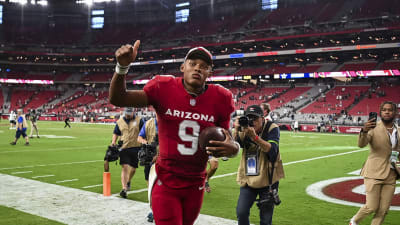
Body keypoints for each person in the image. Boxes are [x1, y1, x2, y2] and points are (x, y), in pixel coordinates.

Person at [109, 41, 239, 225]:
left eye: (204, 67)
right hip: (166, 179)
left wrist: (234, 148)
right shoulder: (163, 87)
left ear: (210, 73)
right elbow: (118, 98)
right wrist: (122, 67)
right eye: (192, 64)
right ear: (182, 67)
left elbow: (228, 139)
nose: (197, 69)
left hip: (196, 183)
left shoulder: (221, 98)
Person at [349, 101, 399, 225]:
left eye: (390, 110)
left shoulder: (398, 130)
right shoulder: (373, 127)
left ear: (395, 113)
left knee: (383, 210)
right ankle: (354, 221)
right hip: (373, 173)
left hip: (391, 174)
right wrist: (364, 131)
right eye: (384, 110)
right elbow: (361, 144)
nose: (387, 112)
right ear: (380, 112)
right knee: (371, 207)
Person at [234, 105, 284, 225]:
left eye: (255, 118)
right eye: (249, 118)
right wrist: (236, 129)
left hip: (268, 180)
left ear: (263, 118)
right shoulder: (244, 128)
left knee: (266, 220)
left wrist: (254, 137)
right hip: (249, 179)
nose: (252, 122)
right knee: (241, 212)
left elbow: (272, 151)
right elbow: (234, 148)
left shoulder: (272, 128)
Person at [110, 107, 144, 198]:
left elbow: (144, 132)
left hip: (136, 147)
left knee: (133, 169)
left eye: (129, 113)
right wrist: (113, 142)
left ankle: (128, 181)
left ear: (133, 112)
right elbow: (115, 133)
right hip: (123, 147)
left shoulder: (139, 120)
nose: (128, 115)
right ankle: (124, 189)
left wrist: (144, 141)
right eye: (127, 113)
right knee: (124, 167)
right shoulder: (120, 121)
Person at [137, 116, 159, 223]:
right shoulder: (148, 123)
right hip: (151, 159)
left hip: (166, 160)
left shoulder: (170, 122)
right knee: (151, 187)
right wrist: (146, 143)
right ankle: (154, 210)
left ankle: (157, 211)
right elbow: (139, 137)